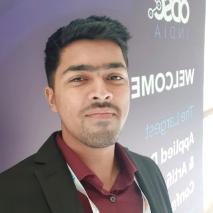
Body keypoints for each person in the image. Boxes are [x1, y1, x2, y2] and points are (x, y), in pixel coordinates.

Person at [0, 16, 172, 213]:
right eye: (79, 78)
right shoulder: (7, 195)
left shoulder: (150, 170)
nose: (101, 93)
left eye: (114, 77)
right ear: (51, 98)